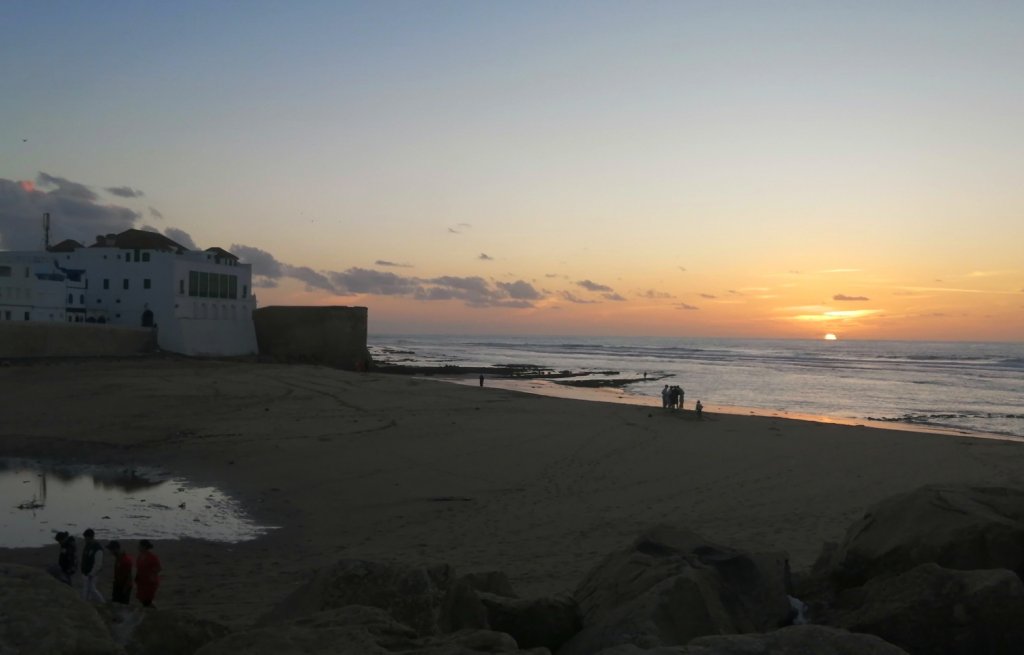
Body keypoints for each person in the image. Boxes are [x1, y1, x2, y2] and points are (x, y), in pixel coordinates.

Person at [80, 528, 105, 603]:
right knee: (86, 589)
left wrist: (92, 573)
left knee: (92, 589)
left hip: (92, 573)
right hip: (85, 572)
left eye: (85, 537)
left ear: (89, 537)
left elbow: (98, 564)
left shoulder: (97, 548)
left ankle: (102, 602)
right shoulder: (87, 545)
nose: (85, 539)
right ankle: (85, 602)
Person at [135, 539, 162, 608]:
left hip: (150, 582)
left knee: (147, 600)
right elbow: (138, 568)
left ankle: (154, 610)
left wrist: (151, 573)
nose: (138, 547)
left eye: (139, 546)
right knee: (141, 599)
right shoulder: (139, 556)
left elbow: (159, 568)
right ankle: (151, 609)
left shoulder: (152, 557)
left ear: (144, 547)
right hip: (141, 582)